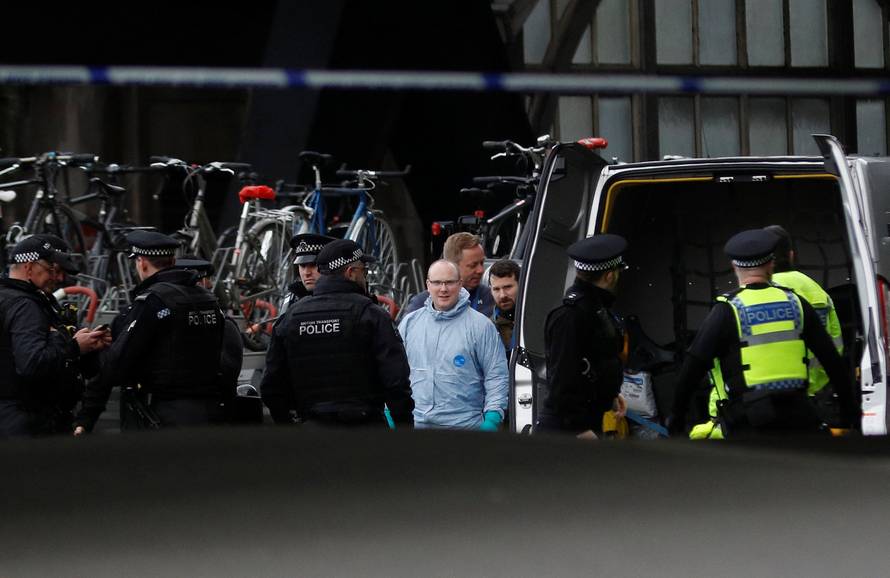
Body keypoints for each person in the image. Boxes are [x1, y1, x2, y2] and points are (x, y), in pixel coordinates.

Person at [668, 229, 857, 438]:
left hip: (750, 422)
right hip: (800, 417)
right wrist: (850, 414)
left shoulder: (726, 310)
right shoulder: (797, 304)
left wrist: (677, 417)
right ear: (771, 264)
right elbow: (833, 362)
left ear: (734, 266)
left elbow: (692, 368)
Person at [74, 231, 231, 433]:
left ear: (142, 262)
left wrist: (86, 355)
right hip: (210, 413)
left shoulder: (152, 302)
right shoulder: (208, 300)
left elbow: (117, 363)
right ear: (173, 260)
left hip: (164, 415)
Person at [260, 239, 414, 428]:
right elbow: (396, 383)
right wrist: (405, 427)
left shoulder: (291, 317)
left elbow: (271, 385)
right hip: (365, 432)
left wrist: (289, 426)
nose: (365, 277)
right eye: (363, 271)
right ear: (351, 273)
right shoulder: (371, 314)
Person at [0, 235, 109, 437]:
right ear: (30, 266)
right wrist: (74, 346)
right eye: (53, 270)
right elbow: (33, 363)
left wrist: (85, 347)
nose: (59, 279)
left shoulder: (11, 299)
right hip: (27, 423)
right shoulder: (26, 306)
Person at [536, 234, 629, 438]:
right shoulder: (571, 315)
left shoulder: (595, 307)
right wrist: (579, 429)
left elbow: (594, 361)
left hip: (585, 422)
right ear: (610, 276)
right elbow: (563, 380)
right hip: (567, 430)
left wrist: (610, 394)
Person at [398, 260, 509, 430]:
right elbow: (395, 373)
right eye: (437, 282)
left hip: (465, 430)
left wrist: (492, 418)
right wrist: (390, 412)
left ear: (459, 284)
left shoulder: (481, 326)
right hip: (416, 428)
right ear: (428, 285)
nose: (443, 289)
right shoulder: (409, 323)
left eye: (449, 282)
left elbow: (496, 376)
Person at [403, 232, 494, 317]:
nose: (480, 270)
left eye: (482, 263)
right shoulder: (420, 304)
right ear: (452, 266)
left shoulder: (491, 297)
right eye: (472, 265)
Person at [489, 259, 520, 354]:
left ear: (521, 284)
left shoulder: (538, 321)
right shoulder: (487, 328)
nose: (502, 295)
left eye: (508, 287)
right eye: (496, 289)